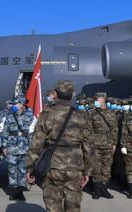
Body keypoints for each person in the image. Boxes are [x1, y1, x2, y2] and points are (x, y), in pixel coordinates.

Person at [26, 80, 94, 212]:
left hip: (53, 166)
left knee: (53, 205)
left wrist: (29, 168)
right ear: (72, 95)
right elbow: (89, 146)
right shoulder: (82, 115)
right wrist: (88, 171)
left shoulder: (47, 114)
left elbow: (36, 143)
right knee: (73, 206)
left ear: (56, 94)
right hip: (75, 167)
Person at [1, 96, 35, 201]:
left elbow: (32, 132)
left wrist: (32, 147)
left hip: (24, 147)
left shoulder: (30, 116)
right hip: (12, 147)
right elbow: (5, 132)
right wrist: (4, 146)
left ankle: (20, 192)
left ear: (22, 104)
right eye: (14, 104)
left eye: (16, 103)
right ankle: (13, 192)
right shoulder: (9, 116)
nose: (14, 105)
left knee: (22, 170)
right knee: (12, 170)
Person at [89, 92, 118, 199]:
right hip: (95, 145)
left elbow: (115, 129)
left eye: (97, 99)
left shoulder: (111, 113)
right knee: (96, 168)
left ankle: (104, 190)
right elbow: (88, 130)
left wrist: (114, 143)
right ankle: (97, 191)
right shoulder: (92, 113)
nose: (95, 101)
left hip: (108, 144)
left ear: (102, 99)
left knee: (106, 168)